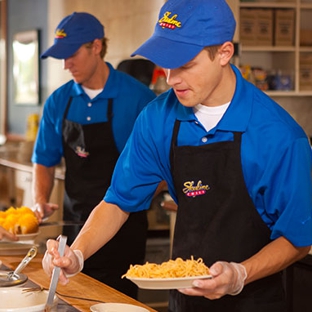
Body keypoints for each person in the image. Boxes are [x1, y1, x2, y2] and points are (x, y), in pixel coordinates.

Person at [42, 1, 312, 311]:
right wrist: (76, 255)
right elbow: (118, 201)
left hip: (254, 300)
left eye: (184, 63)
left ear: (224, 53)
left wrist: (239, 274)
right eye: (166, 63)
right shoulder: (157, 118)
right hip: (183, 301)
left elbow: (298, 238)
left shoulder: (279, 135)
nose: (171, 78)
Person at [31, 12, 156, 298]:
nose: (66, 65)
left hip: (125, 231)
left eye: (72, 54)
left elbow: (160, 166)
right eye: (62, 57)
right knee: (72, 299)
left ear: (96, 47)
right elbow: (44, 160)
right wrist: (40, 201)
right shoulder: (58, 101)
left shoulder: (139, 99)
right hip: (74, 226)